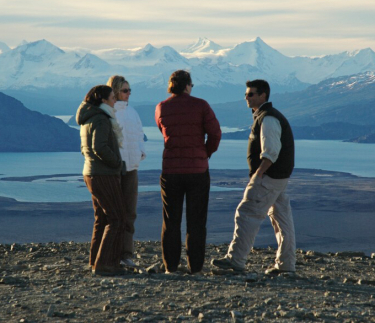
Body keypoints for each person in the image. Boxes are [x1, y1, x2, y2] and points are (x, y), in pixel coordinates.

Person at [212, 79, 296, 274]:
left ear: (263, 96)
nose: (246, 98)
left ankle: (236, 260)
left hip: (268, 179)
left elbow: (271, 152)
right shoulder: (266, 116)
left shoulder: (268, 118)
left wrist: (258, 175)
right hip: (278, 180)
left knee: (247, 214)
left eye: (250, 94)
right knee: (282, 220)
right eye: (246, 94)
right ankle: (286, 265)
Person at [155, 70, 222, 274]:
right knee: (196, 221)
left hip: (171, 171)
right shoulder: (201, 105)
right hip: (197, 171)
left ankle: (171, 267)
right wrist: (204, 153)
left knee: (171, 220)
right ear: (187, 86)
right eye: (191, 85)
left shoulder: (162, 107)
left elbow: (163, 130)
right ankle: (195, 267)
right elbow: (215, 134)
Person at [76, 85, 126, 276]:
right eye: (113, 97)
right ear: (103, 100)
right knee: (117, 218)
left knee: (103, 218)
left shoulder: (87, 119)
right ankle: (105, 264)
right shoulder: (102, 119)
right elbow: (100, 147)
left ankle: (96, 260)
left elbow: (85, 149)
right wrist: (116, 163)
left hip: (91, 172)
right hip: (103, 174)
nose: (115, 101)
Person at [106, 75, 146, 267]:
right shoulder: (108, 112)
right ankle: (111, 254)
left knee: (130, 212)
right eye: (125, 90)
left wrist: (140, 153)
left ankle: (126, 254)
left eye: (129, 90)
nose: (128, 94)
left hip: (131, 169)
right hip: (114, 169)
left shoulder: (133, 113)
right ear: (114, 91)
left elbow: (139, 135)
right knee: (113, 214)